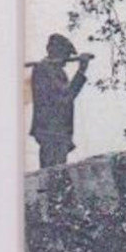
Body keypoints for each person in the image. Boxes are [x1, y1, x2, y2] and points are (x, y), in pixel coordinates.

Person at [30, 34, 91, 168]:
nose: (67, 58)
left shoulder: (58, 72)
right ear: (52, 50)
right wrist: (81, 71)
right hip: (51, 130)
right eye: (65, 53)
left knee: (59, 170)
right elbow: (66, 97)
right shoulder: (44, 69)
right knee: (53, 172)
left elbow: (67, 96)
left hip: (59, 130)